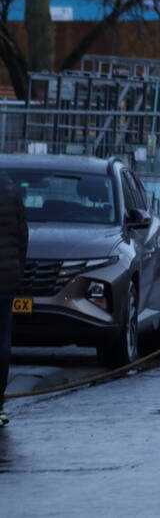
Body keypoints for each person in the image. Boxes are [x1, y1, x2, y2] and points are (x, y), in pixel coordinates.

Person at [0, 176, 28, 428]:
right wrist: (17, 271)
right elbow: (22, 237)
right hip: (6, 279)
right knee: (2, 344)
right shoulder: (11, 188)